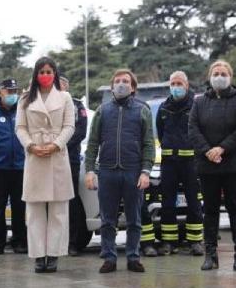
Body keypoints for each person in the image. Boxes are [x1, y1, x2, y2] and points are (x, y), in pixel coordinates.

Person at [85, 69, 155, 273]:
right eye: (118, 81)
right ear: (112, 86)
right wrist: (90, 170)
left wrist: (145, 171)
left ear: (133, 87)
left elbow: (148, 144)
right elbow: (93, 143)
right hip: (107, 171)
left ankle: (133, 256)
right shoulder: (102, 110)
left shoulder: (142, 110)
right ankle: (109, 257)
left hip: (133, 172)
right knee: (107, 220)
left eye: (126, 81)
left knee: (134, 218)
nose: (121, 84)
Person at [188, 60, 236, 271]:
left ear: (231, 77)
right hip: (208, 165)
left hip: (233, 164)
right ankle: (210, 255)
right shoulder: (199, 102)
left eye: (224, 73)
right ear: (210, 76)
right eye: (216, 73)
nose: (220, 76)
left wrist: (221, 148)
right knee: (211, 210)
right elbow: (193, 129)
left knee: (235, 208)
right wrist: (208, 150)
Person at [15, 57, 75, 273]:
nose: (46, 75)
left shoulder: (65, 97)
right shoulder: (25, 98)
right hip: (35, 156)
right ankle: (39, 255)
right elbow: (20, 128)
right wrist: (31, 146)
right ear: (35, 74)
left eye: (50, 71)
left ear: (55, 74)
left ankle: (54, 254)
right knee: (35, 211)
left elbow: (69, 126)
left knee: (59, 210)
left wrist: (57, 144)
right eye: (42, 72)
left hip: (57, 155)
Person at [141, 71, 204, 257]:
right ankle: (169, 242)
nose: (176, 87)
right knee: (167, 203)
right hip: (169, 162)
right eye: (173, 83)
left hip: (190, 162)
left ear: (186, 85)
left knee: (194, 202)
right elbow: (160, 133)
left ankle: (195, 242)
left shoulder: (196, 106)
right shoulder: (164, 108)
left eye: (179, 83)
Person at [0, 78, 27, 254]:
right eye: (9, 92)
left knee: (19, 206)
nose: (12, 95)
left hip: (20, 166)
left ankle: (19, 241)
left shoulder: (23, 112)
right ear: (0, 92)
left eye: (15, 92)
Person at [60, 76, 88, 256]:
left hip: (69, 159)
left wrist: (60, 144)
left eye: (62, 85)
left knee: (71, 200)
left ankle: (73, 242)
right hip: (49, 160)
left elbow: (81, 131)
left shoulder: (77, 106)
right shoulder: (47, 104)